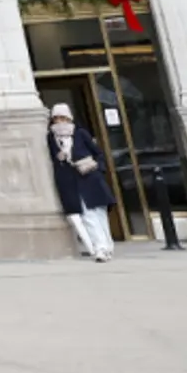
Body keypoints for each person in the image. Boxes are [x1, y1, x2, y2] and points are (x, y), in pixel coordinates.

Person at [47, 103, 115, 262]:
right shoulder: (51, 137)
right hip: (70, 181)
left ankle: (107, 246)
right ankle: (100, 248)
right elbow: (53, 158)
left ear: (69, 118)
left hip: (90, 178)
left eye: (62, 118)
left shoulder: (80, 133)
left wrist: (97, 168)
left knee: (99, 213)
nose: (59, 122)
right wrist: (59, 157)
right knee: (87, 215)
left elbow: (97, 153)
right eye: (56, 118)